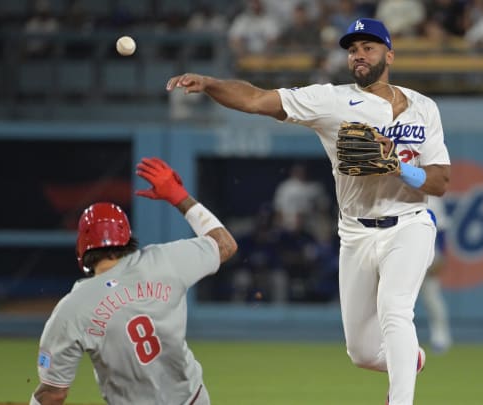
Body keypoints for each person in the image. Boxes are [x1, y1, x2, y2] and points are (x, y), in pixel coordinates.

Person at [167, 17, 451, 405]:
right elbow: (255, 99)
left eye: (368, 47)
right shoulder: (331, 100)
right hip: (356, 232)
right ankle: (410, 358)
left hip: (410, 224)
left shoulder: (423, 107)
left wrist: (399, 167)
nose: (358, 55)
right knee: (362, 353)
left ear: (389, 54)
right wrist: (212, 83)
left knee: (395, 310)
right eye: (352, 50)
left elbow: (439, 181)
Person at [29, 157, 238, 405]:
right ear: (127, 237)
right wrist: (179, 197)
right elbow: (225, 244)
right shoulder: (166, 261)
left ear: (82, 248)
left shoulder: (73, 308)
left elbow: (54, 394)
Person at [420, 195, 453, 354]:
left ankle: (440, 337)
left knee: (432, 298)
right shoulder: (397, 191)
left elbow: (441, 230)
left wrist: (442, 256)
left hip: (429, 254)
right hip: (403, 254)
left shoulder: (432, 198)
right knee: (395, 300)